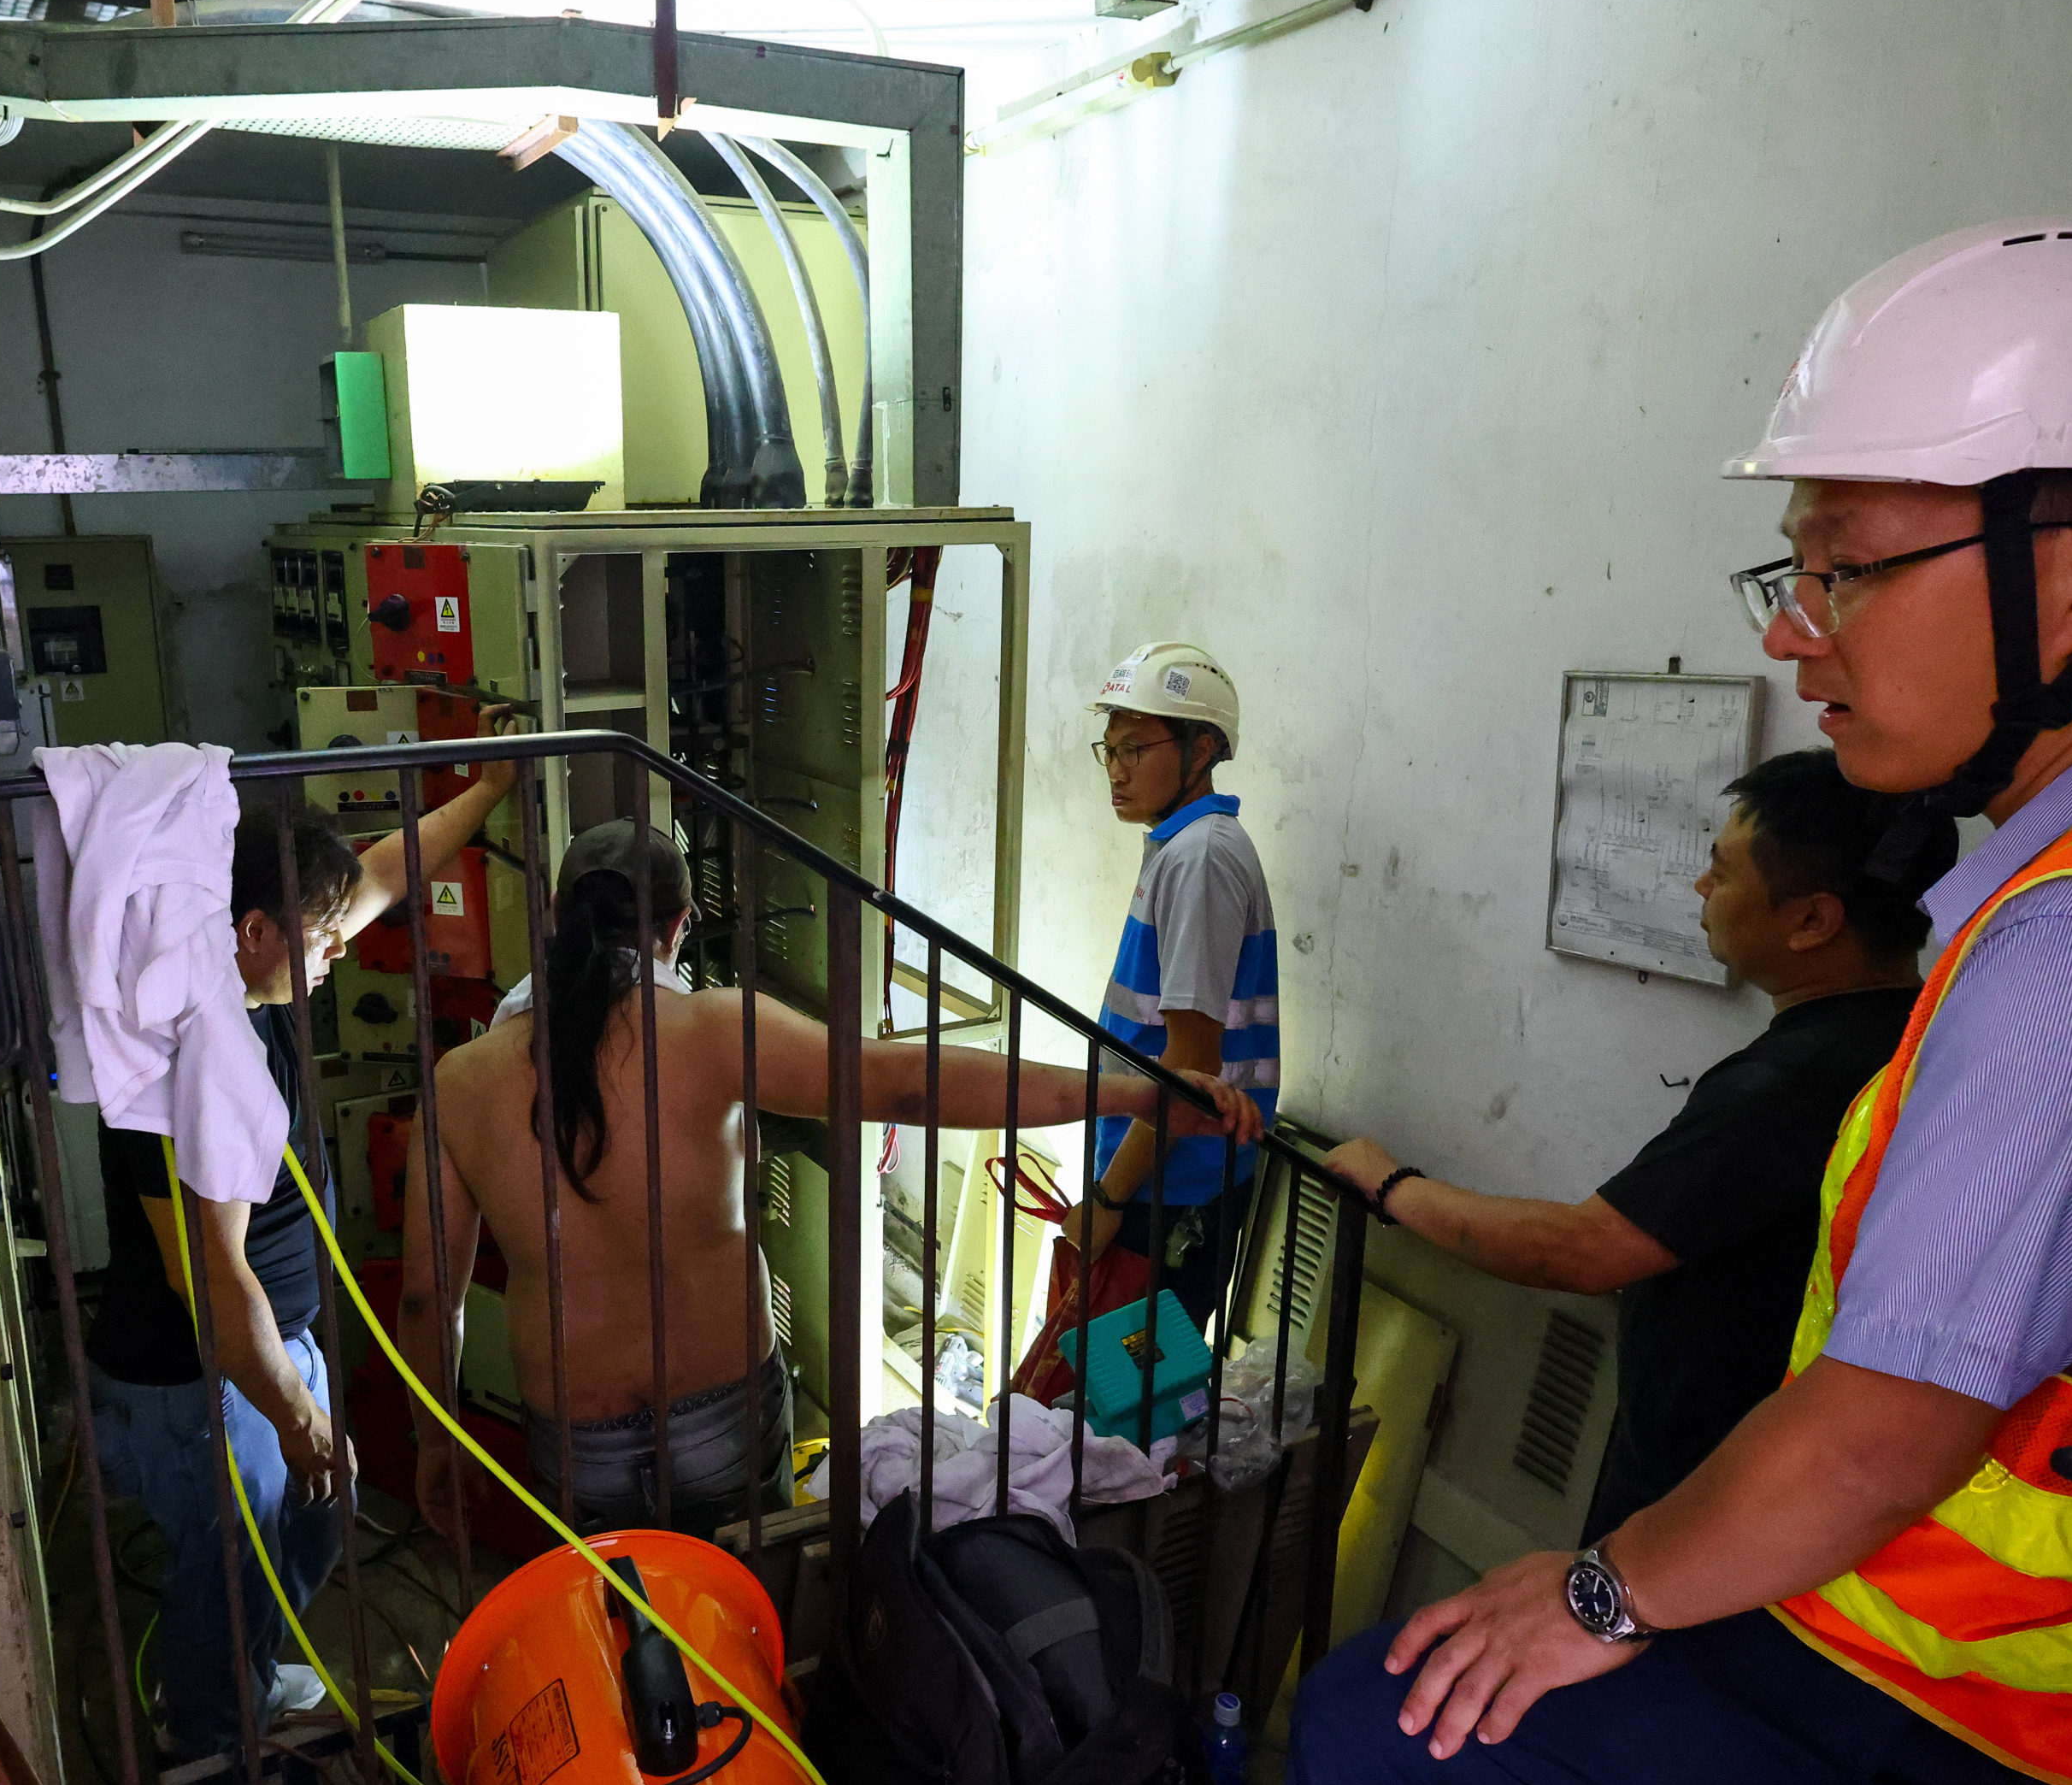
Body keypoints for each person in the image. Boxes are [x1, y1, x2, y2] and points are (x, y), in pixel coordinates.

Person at [1286, 218, 2072, 1785]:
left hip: (2007, 1720)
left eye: (1849, 568)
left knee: (1391, 1738)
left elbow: (1882, 1431)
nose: (1799, 638)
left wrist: (1595, 1593)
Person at [401, 819, 1263, 1541]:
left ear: (554, 917)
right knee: (747, 1628)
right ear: (680, 925)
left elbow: (425, 1300)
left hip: (578, 1435)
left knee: (613, 1633)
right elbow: (908, 1080)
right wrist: (1137, 1093)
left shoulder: (463, 1080)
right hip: (721, 1417)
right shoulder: (713, 1029)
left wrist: (431, 1438)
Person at [1321, 749, 1944, 1541]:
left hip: (1707, 1504)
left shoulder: (1790, 1085)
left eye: (1722, 872)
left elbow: (1580, 1253)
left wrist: (1389, 1184)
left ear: (1813, 920)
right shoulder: (1912, 1033)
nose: (1700, 890)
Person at [85, 750, 518, 1764]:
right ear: (253, 931)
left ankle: (242, 1674)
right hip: (203, 1378)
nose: (338, 953)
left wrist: (492, 789)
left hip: (274, 1345)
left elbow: (386, 873)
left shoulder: (263, 989)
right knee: (233, 1565)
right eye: (322, 935)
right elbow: (212, 1276)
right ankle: (214, 1759)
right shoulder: (183, 1059)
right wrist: (289, 1410)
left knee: (316, 1525)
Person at [1068, 642, 1280, 1336]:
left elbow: (1191, 1057)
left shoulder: (1202, 858)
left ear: (1202, 749)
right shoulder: (1181, 846)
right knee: (1101, 1399)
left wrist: (1107, 1196)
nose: (1117, 772)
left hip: (1173, 1186)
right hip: (1163, 1172)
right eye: (1109, 750)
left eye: (1136, 748)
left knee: (1120, 1409)